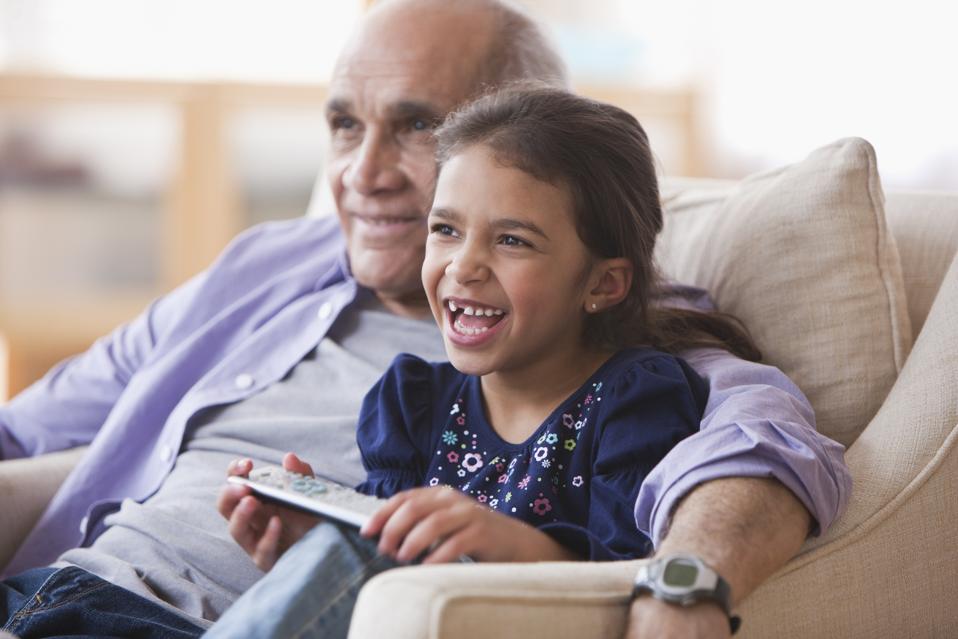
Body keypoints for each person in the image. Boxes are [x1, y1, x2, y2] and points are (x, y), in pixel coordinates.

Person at [0, 1, 849, 638]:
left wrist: (685, 586)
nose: (363, 173)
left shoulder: (627, 345)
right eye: (343, 126)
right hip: (50, 581)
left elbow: (765, 444)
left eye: (415, 126)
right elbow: (27, 430)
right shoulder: (274, 270)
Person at [206, 85, 765, 638]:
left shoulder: (636, 400)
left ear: (602, 283)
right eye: (446, 230)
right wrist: (312, 541)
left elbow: (627, 582)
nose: (464, 265)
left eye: (512, 241)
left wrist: (499, 541)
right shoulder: (413, 401)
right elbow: (380, 579)